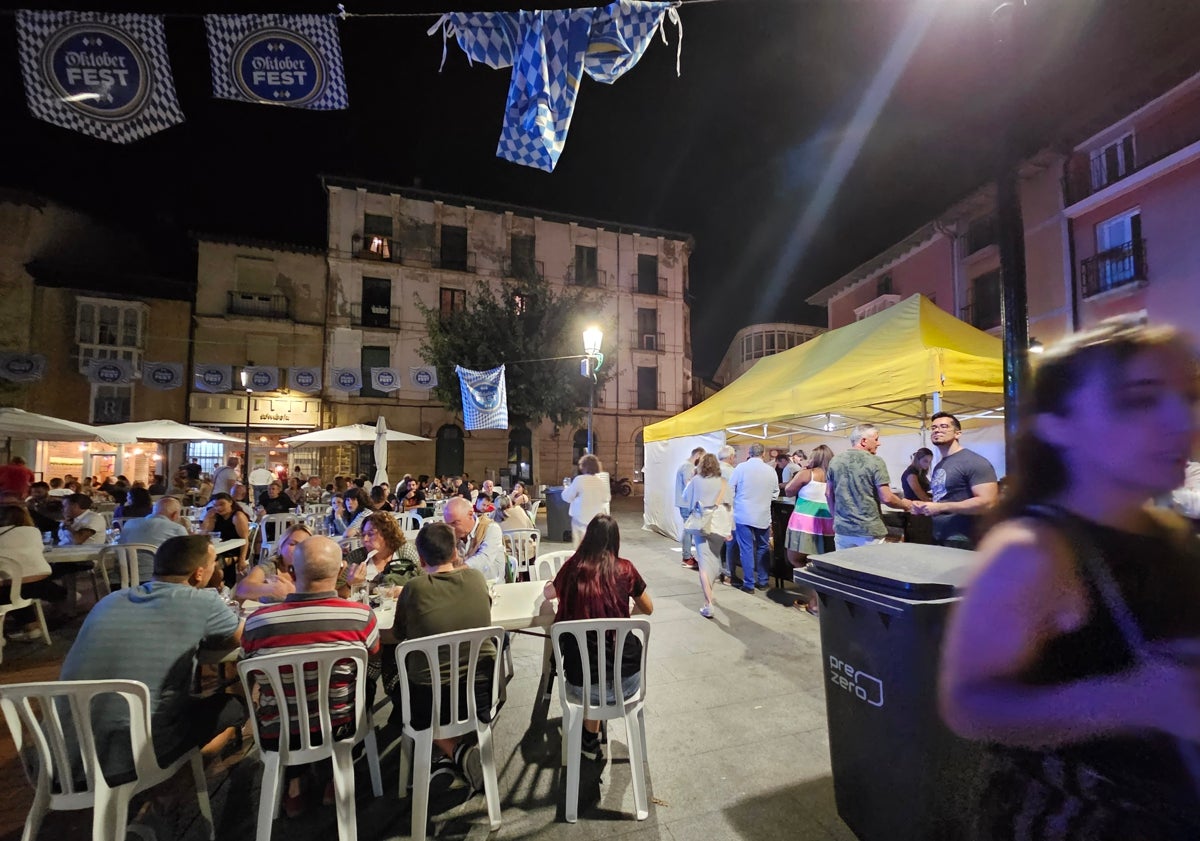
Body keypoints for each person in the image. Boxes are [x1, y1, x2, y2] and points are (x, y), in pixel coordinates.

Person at [938, 317, 1200, 839]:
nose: (1181, 419)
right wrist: (1126, 700)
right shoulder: (1033, 553)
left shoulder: (1170, 532)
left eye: (1189, 395)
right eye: (1141, 398)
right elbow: (968, 704)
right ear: (1058, 423)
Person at [59, 535, 245, 790]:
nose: (218, 568)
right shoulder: (201, 601)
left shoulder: (110, 600)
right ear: (199, 573)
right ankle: (164, 800)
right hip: (130, 755)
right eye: (214, 563)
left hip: (60, 754)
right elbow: (240, 637)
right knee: (235, 705)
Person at [240, 535, 381, 817]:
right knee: (366, 679)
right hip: (342, 726)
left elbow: (250, 665)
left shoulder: (257, 623)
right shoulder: (361, 616)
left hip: (277, 730)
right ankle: (334, 775)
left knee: (289, 699)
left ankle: (294, 786)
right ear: (340, 572)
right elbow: (374, 656)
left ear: (293, 572)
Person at [391, 522, 494, 791]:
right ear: (455, 552)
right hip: (480, 694)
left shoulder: (414, 589)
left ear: (421, 559)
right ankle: (455, 754)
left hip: (430, 701)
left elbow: (399, 633)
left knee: (396, 680)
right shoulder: (476, 579)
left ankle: (452, 751)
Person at [544, 515, 653, 759]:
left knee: (590, 665)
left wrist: (551, 584)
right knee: (603, 663)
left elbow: (548, 593)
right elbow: (648, 608)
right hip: (628, 681)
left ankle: (589, 739)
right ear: (615, 540)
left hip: (582, 685)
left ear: (588, 538)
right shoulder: (626, 569)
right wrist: (626, 613)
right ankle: (590, 737)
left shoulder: (573, 567)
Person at [911, 413, 1000, 549]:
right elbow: (944, 499)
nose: (937, 430)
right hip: (940, 535)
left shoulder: (974, 462)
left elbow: (988, 503)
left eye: (944, 426)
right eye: (934, 427)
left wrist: (940, 507)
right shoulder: (940, 465)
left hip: (964, 539)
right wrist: (925, 507)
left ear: (958, 434)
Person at [826, 424, 912, 550]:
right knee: (869, 568)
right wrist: (906, 504)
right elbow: (887, 498)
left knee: (845, 567)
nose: (879, 443)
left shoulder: (835, 460)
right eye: (876, 439)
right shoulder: (876, 462)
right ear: (864, 441)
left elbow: (828, 494)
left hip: (842, 530)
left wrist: (836, 518)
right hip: (869, 532)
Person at [0, 504, 64, 641]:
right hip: (40, 584)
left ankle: (28, 627)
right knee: (17, 589)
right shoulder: (33, 532)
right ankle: (31, 626)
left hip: (9, 588)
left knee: (12, 587)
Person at [783, 445, 835, 614]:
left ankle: (815, 600)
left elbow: (789, 490)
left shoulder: (807, 473)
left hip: (804, 523)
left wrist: (801, 472)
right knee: (821, 563)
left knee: (795, 559)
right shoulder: (834, 475)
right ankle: (821, 601)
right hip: (828, 523)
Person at [681, 453, 728, 619]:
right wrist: (730, 529)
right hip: (719, 524)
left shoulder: (696, 480)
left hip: (702, 522)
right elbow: (729, 505)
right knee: (714, 559)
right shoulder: (722, 482)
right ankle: (710, 594)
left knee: (703, 562)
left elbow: (685, 498)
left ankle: (708, 602)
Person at [729, 443, 779, 592]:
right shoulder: (771, 471)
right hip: (763, 514)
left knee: (746, 549)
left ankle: (749, 583)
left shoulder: (741, 468)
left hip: (743, 513)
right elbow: (775, 493)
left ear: (749, 453)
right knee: (763, 547)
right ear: (763, 454)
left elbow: (731, 489)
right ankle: (763, 581)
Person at [117, 497, 190, 583]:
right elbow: (187, 557)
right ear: (175, 515)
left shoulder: (129, 523)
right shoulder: (177, 528)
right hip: (157, 580)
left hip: (122, 579)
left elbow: (119, 545)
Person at [235, 523, 310, 603]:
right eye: (292, 544)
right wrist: (271, 589)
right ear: (281, 545)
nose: (297, 549)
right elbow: (241, 590)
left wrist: (293, 592)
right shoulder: (271, 566)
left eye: (303, 545)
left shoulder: (313, 568)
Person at [344, 512, 420, 590]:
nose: (365, 539)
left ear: (387, 534)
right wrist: (350, 585)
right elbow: (338, 592)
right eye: (363, 535)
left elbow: (423, 578)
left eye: (370, 534)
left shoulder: (404, 551)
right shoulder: (356, 557)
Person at [443, 496, 507, 584]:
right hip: (463, 587)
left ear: (470, 515)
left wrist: (454, 571)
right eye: (448, 524)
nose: (452, 528)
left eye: (455, 523)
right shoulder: (452, 534)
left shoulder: (491, 528)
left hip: (491, 587)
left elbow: (484, 559)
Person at [200, 492, 250, 586]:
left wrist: (242, 559)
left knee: (215, 565)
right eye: (216, 505)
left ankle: (221, 586)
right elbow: (204, 533)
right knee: (203, 562)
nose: (219, 508)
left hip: (237, 549)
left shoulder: (237, 516)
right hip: (221, 548)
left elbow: (245, 539)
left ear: (230, 502)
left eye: (222, 504)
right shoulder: (215, 516)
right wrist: (207, 517)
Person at [562, 454, 611, 547]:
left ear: (583, 466)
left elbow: (567, 497)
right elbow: (607, 498)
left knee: (580, 549)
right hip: (597, 521)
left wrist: (566, 488)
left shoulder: (579, 480)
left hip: (580, 520)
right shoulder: (600, 482)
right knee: (595, 549)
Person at [674, 448, 705, 570]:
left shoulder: (685, 465)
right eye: (702, 458)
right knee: (688, 530)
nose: (702, 461)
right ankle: (687, 557)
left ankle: (687, 556)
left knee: (688, 529)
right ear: (697, 455)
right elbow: (689, 484)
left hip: (685, 503)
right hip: (687, 503)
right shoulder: (688, 466)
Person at [901, 447, 935, 544]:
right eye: (925, 461)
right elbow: (919, 493)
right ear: (917, 459)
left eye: (929, 462)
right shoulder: (911, 473)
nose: (927, 464)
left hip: (920, 510)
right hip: (915, 510)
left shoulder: (920, 473)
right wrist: (935, 505)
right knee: (920, 539)